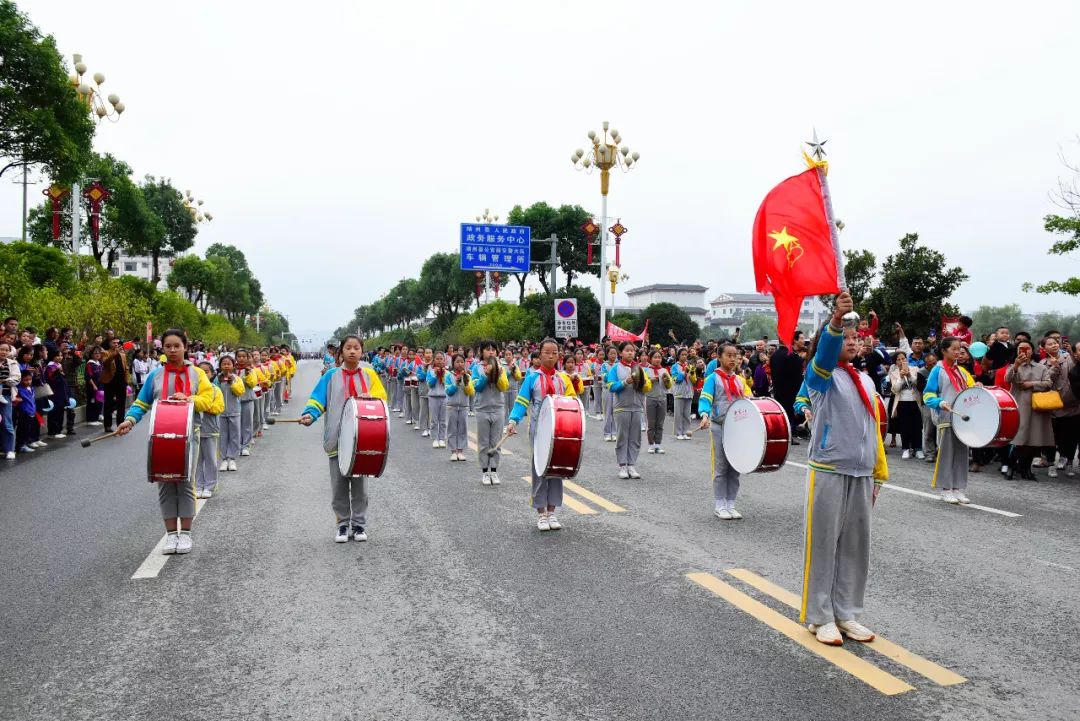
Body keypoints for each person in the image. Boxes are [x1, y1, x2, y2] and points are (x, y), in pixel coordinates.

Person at [792, 292, 888, 646]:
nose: (853, 340)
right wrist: (836, 321)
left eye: (855, 337)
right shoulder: (821, 377)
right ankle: (819, 616)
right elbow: (824, 357)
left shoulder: (864, 380)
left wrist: (877, 470)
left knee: (854, 546)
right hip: (829, 469)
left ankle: (845, 612)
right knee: (823, 545)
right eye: (845, 337)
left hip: (861, 472)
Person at [115, 329, 217, 556]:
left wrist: (188, 398)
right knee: (165, 482)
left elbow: (208, 399)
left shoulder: (198, 374)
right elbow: (141, 403)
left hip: (190, 434)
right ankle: (171, 536)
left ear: (185, 347)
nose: (172, 350)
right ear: (163, 349)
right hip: (160, 437)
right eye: (168, 346)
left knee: (184, 483)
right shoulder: (155, 375)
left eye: (176, 346)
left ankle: (186, 534)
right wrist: (129, 421)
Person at [300, 335, 387, 543]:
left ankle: (358, 524)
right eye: (348, 348)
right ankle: (341, 524)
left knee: (360, 487)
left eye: (356, 348)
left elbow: (382, 398)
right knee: (339, 486)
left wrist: (372, 398)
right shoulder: (330, 375)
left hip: (363, 440)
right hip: (337, 437)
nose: (352, 351)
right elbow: (318, 399)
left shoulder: (369, 374)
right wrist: (310, 414)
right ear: (341, 352)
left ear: (362, 352)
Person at [506, 337, 580, 532]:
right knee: (539, 469)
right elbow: (521, 402)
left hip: (560, 430)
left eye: (554, 352)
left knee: (557, 468)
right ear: (539, 355)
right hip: (538, 430)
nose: (550, 356)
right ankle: (541, 513)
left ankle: (552, 511)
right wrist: (513, 421)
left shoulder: (563, 378)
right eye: (546, 352)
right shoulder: (532, 377)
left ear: (559, 356)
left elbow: (573, 401)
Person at [698, 342, 753, 519]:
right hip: (719, 426)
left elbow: (749, 399)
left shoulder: (739, 379)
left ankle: (731, 504)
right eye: (728, 355)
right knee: (721, 467)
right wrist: (705, 414)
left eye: (735, 355)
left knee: (735, 467)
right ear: (719, 357)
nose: (733, 358)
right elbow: (705, 398)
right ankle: (719, 504)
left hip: (736, 428)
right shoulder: (712, 379)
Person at [923, 337, 977, 501]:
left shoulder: (962, 371)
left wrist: (978, 387)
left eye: (959, 348)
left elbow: (971, 391)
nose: (958, 352)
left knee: (962, 453)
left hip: (963, 418)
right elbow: (928, 394)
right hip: (946, 416)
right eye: (954, 348)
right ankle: (946, 488)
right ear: (944, 351)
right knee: (947, 453)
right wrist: (940, 402)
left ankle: (958, 487)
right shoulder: (938, 370)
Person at [1005, 340, 1053, 480]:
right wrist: (1016, 366)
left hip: (1037, 408)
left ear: (1032, 350)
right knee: (1019, 440)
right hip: (1020, 406)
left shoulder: (1041, 367)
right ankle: (1011, 466)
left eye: (1027, 348)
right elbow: (1008, 379)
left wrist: (1031, 384)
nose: (1023, 351)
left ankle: (1026, 469)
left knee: (1034, 441)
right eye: (1020, 348)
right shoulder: (1014, 365)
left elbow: (1048, 383)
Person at [606, 341, 652, 479]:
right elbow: (611, 386)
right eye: (627, 350)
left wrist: (642, 383)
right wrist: (625, 382)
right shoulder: (615, 368)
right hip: (621, 408)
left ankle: (632, 465)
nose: (630, 353)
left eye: (632, 350)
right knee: (622, 437)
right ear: (621, 353)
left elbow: (647, 387)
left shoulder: (639, 369)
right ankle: (622, 466)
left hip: (637, 407)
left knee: (635, 438)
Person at [472, 340, 509, 485]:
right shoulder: (477, 368)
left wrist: (498, 375)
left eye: (494, 349)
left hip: (498, 408)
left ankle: (494, 471)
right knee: (483, 442)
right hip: (482, 409)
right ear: (481, 352)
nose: (491, 352)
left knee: (495, 442)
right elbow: (477, 387)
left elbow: (504, 387)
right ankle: (484, 472)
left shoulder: (501, 368)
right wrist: (486, 375)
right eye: (487, 349)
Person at [1042, 335, 1078, 478]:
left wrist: (1072, 354)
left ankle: (1069, 463)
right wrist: (1053, 369)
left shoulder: (1070, 358)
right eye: (1050, 344)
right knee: (1051, 437)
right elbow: (1044, 382)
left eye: (1056, 343)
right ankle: (1051, 463)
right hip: (1052, 406)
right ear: (1043, 348)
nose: (1054, 345)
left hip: (1072, 405)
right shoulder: (1043, 363)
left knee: (1070, 437)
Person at [194, 361, 227, 499]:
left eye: (206, 372)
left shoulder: (215, 390)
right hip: (194, 429)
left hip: (210, 429)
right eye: (199, 372)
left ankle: (210, 486)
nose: (202, 374)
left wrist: (204, 405)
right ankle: (197, 485)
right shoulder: (192, 390)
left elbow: (219, 407)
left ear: (212, 374)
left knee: (211, 459)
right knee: (196, 460)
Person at [215, 354, 246, 473]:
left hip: (235, 411)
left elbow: (240, 392)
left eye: (229, 364)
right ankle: (223, 459)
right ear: (220, 366)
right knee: (222, 436)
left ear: (233, 366)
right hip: (221, 413)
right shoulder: (217, 379)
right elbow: (214, 393)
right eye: (224, 364)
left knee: (234, 435)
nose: (226, 366)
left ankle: (232, 459)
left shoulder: (237, 378)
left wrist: (232, 383)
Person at [888, 353, 923, 459]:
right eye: (898, 359)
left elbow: (918, 384)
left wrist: (909, 375)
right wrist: (901, 378)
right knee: (904, 426)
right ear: (895, 362)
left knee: (916, 426)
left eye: (903, 358)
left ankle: (918, 449)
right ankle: (905, 448)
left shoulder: (915, 369)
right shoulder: (893, 373)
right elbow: (894, 389)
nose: (901, 361)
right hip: (902, 402)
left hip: (915, 401)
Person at [445, 353, 474, 462]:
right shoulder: (448, 375)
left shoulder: (467, 376)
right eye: (457, 362)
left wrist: (466, 382)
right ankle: (453, 451)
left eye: (462, 362)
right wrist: (455, 384)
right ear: (453, 363)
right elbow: (448, 391)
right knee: (452, 429)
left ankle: (460, 450)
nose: (460, 364)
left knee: (463, 428)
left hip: (464, 406)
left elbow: (471, 392)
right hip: (451, 406)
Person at [644, 348, 672, 454]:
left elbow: (669, 385)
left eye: (659, 357)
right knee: (651, 423)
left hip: (662, 398)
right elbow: (644, 384)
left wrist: (667, 380)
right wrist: (652, 380)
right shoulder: (646, 370)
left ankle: (658, 444)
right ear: (650, 359)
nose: (657, 359)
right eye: (655, 357)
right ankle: (651, 444)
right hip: (650, 398)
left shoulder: (664, 371)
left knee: (660, 424)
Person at [100, 338, 130, 433]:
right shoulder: (106, 353)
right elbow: (105, 362)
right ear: (110, 344)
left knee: (121, 404)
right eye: (114, 342)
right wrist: (114, 354)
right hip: (110, 382)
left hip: (121, 382)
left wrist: (126, 381)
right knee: (108, 404)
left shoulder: (123, 355)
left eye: (118, 342)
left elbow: (126, 368)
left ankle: (120, 424)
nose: (116, 344)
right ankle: (107, 425)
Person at [43, 347, 69, 439]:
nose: (60, 357)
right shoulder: (51, 366)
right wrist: (57, 372)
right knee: (54, 412)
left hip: (61, 392)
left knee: (60, 411)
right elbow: (51, 379)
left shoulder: (58, 365)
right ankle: (53, 431)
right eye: (57, 355)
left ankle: (58, 430)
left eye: (61, 355)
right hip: (55, 393)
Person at [426, 351, 450, 448]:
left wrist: (443, 375)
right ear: (434, 360)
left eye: (441, 359)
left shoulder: (447, 372)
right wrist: (435, 375)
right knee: (434, 420)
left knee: (443, 420)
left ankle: (442, 438)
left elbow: (448, 385)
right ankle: (435, 438)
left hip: (444, 397)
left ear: (444, 360)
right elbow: (430, 384)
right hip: (433, 397)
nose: (439, 361)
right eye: (437, 359)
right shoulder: (430, 371)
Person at [671, 348, 696, 440]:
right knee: (678, 413)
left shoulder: (690, 366)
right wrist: (683, 372)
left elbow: (694, 380)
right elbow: (676, 379)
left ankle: (686, 432)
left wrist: (692, 373)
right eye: (682, 355)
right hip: (679, 392)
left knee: (686, 413)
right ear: (678, 356)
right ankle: (678, 433)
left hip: (688, 392)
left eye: (686, 355)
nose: (684, 356)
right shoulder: (674, 366)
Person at [0, 341, 17, 459]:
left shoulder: (12, 363)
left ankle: (10, 449)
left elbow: (16, 379)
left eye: (6, 350)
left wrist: (4, 381)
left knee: (7, 423)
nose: (4, 352)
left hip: (6, 395)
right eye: (2, 349)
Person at [599, 346, 618, 442]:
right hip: (607, 390)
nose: (613, 355)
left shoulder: (619, 364)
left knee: (615, 412)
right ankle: (607, 433)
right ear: (607, 354)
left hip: (616, 390)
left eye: (615, 353)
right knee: (607, 412)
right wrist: (612, 373)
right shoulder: (604, 365)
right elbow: (604, 377)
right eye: (611, 353)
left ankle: (614, 433)